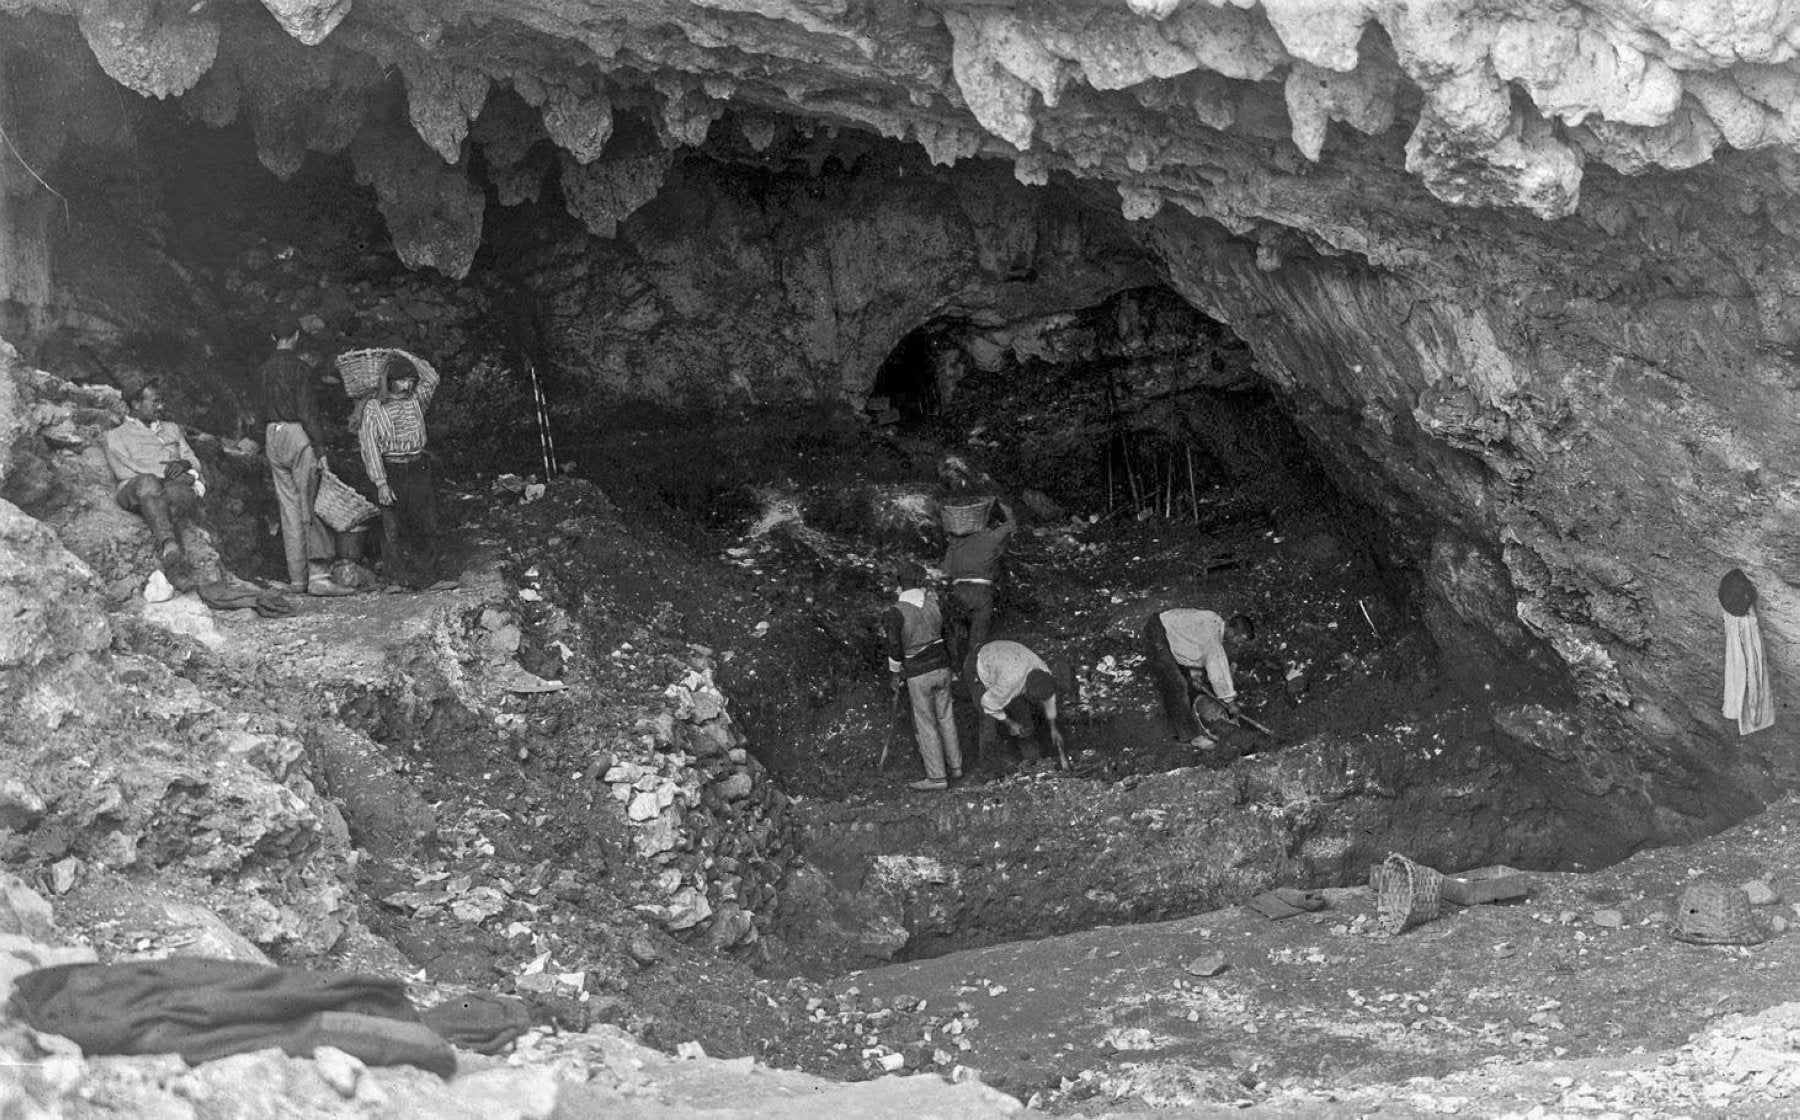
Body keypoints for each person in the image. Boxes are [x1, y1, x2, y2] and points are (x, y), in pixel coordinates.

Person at [261, 318, 352, 597]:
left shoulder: (263, 369)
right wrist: (321, 450)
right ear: (297, 336)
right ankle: (319, 576)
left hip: (271, 435)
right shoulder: (299, 368)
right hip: (296, 433)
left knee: (288, 510)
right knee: (309, 503)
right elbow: (308, 411)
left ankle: (297, 579)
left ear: (272, 335)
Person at [356, 350, 454, 592]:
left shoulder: (416, 401)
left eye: (411, 380)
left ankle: (428, 578)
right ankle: (396, 580)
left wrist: (401, 354)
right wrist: (381, 483)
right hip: (392, 468)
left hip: (418, 465)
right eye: (402, 380)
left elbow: (431, 378)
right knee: (392, 526)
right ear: (389, 381)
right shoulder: (373, 408)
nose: (408, 384)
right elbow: (370, 446)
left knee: (424, 521)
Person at [103, 382, 206, 569]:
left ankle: (172, 560)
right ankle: (168, 542)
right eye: (155, 402)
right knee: (148, 482)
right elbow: (123, 471)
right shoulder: (116, 435)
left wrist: (184, 464)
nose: (161, 407)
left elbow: (194, 460)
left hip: (172, 487)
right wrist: (168, 473)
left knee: (179, 493)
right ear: (136, 404)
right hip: (136, 490)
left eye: (162, 402)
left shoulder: (172, 428)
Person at [885, 563, 961, 792]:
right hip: (943, 668)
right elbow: (950, 635)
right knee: (946, 717)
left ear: (899, 583)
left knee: (926, 724)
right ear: (921, 581)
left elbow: (894, 646)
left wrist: (894, 674)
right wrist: (954, 665)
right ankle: (956, 767)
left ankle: (937, 778)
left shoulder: (895, 612)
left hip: (918, 674)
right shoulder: (935, 603)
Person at [1142, 608, 1254, 748]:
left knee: (1185, 682)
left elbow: (1191, 648)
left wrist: (1195, 674)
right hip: (1158, 633)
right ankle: (1191, 737)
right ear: (1231, 630)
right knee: (1177, 685)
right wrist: (1230, 702)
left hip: (1163, 629)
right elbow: (1218, 673)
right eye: (1239, 639)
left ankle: (1191, 716)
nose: (1238, 643)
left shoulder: (1213, 621)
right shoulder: (1213, 639)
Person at [942, 498, 1016, 684]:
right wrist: (1006, 509)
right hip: (982, 592)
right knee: (978, 634)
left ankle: (956, 670)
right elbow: (1011, 525)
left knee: (955, 632)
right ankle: (974, 674)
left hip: (958, 592)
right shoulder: (989, 537)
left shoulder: (955, 544)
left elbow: (946, 572)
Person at [973, 639, 1066, 770]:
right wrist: (1010, 723)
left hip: (1008, 661)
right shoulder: (1011, 682)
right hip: (980, 664)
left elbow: (1048, 698)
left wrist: (1053, 727)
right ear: (1027, 690)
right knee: (988, 724)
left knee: (1024, 719)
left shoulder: (1043, 672)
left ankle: (1034, 762)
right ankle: (990, 771)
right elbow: (988, 703)